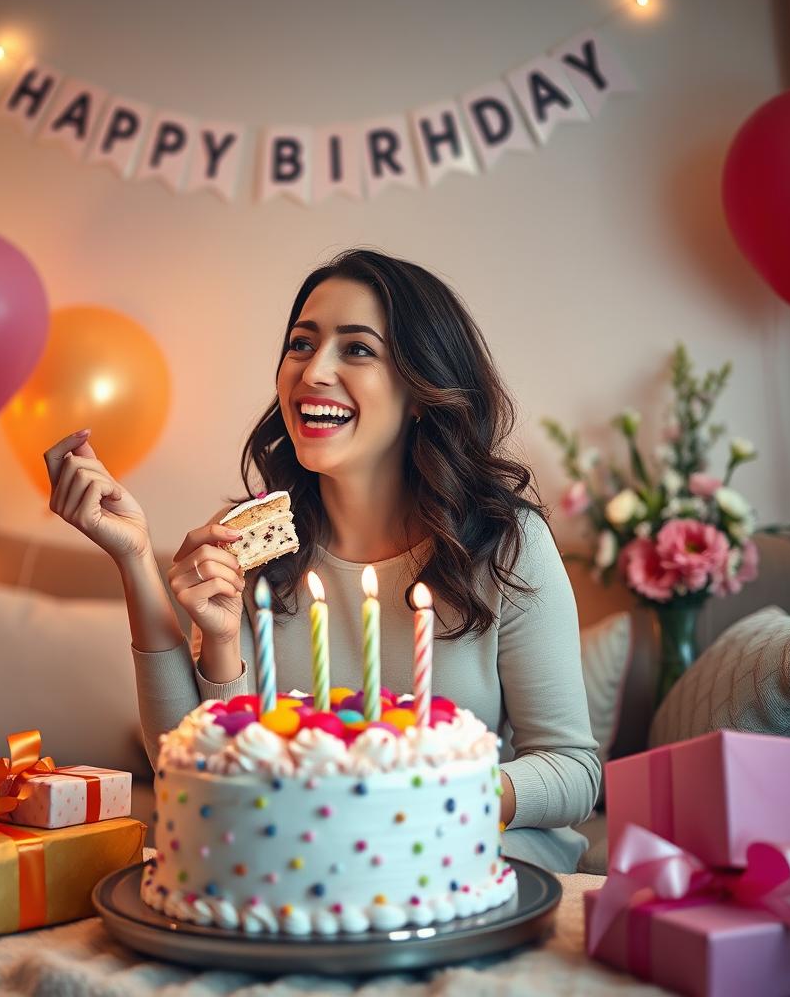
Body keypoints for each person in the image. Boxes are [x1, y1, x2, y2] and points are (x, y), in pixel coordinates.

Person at [44, 249, 599, 872]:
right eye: (301, 344)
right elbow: (191, 771)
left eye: (357, 349)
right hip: (307, 873)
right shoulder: (255, 547)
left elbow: (572, 771)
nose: (313, 372)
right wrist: (138, 562)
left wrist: (414, 797)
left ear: (421, 391)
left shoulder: (504, 545)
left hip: (466, 856)